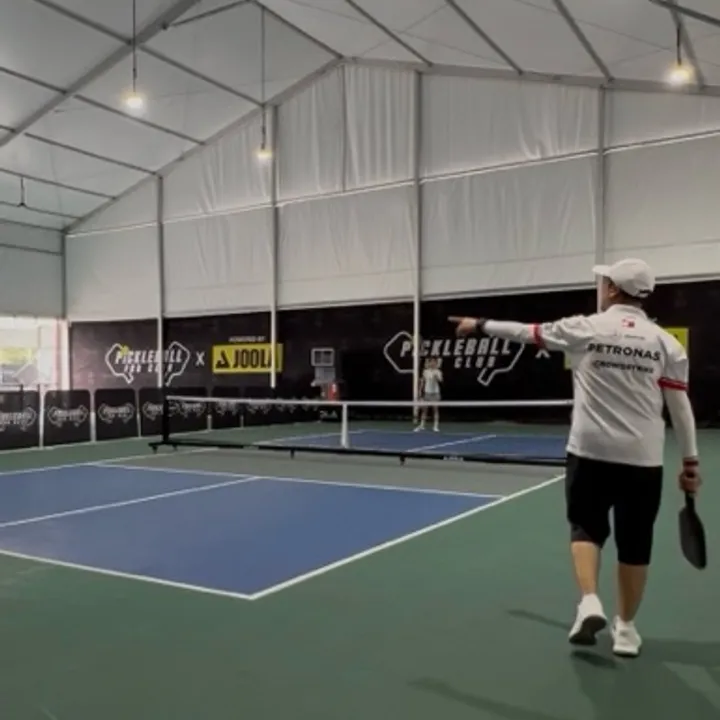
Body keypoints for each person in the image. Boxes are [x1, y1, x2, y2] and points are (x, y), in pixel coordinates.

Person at [449, 258, 701, 658]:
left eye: (604, 281)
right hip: (643, 460)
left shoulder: (584, 327)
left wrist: (479, 324)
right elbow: (680, 408)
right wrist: (690, 464)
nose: (600, 286)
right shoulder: (665, 343)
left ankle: (589, 601)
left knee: (585, 529)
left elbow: (525, 333)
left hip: (589, 453)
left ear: (614, 289)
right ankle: (626, 630)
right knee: (636, 544)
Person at [416, 357, 443, 432]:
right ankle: (422, 425)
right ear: (429, 363)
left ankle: (435, 426)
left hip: (435, 393)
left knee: (435, 410)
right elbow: (422, 382)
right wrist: (419, 392)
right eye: (431, 362)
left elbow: (441, 380)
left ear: (436, 363)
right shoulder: (425, 371)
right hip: (427, 393)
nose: (432, 363)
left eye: (434, 362)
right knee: (424, 410)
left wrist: (436, 377)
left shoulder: (438, 371)